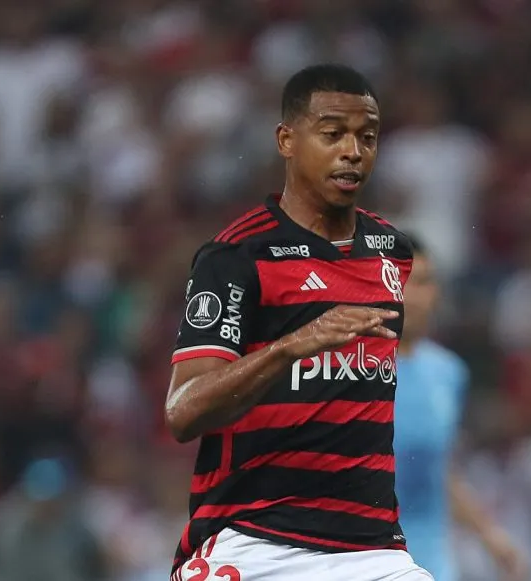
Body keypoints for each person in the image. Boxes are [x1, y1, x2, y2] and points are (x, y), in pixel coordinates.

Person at [165, 64, 431, 580]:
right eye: (333, 134)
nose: (353, 151)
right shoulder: (238, 256)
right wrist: (292, 345)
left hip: (372, 552)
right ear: (287, 140)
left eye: (367, 137)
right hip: (255, 542)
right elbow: (183, 412)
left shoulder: (391, 252)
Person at [393, 235, 527, 581]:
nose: (416, 295)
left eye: (425, 282)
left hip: (433, 559)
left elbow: (439, 470)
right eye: (406, 281)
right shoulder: (355, 369)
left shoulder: (449, 372)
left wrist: (490, 535)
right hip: (370, 552)